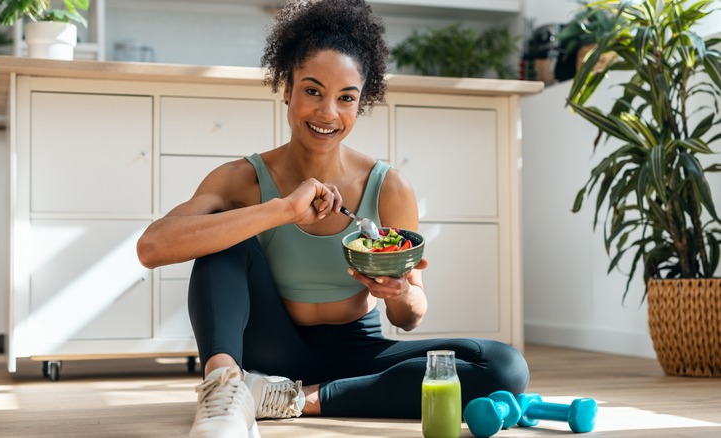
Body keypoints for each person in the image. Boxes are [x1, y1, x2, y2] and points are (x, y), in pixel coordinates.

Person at [136, 0, 530, 436]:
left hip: (357, 351)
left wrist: (397, 292)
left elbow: (410, 316)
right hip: (271, 347)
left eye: (346, 98)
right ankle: (226, 389)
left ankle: (290, 400)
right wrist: (279, 210)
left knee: (503, 367)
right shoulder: (240, 179)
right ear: (286, 88)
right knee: (223, 239)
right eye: (312, 91)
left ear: (360, 104)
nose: (327, 113)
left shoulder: (388, 186)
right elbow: (152, 248)